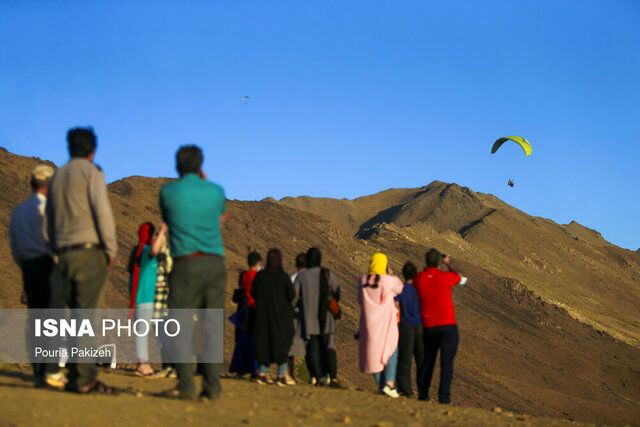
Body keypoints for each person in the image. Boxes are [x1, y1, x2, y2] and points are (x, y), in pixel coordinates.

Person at [46, 127, 118, 394]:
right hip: (88, 253)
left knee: (69, 317)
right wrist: (110, 249)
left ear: (69, 147)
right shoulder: (92, 172)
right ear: (92, 150)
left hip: (62, 253)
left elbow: (50, 221)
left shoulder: (57, 177)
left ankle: (70, 373)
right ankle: (84, 378)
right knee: (85, 317)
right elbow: (102, 212)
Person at [159, 144, 229, 401]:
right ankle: (212, 387)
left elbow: (169, 220)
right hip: (215, 263)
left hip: (185, 263)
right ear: (202, 166)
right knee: (212, 326)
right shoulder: (216, 191)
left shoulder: (168, 192)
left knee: (180, 326)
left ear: (177, 166)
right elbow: (219, 218)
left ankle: (186, 385)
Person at [9, 164, 66, 388]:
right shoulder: (49, 210)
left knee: (35, 319)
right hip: (49, 265)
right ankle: (52, 370)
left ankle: (39, 370)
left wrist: (24, 265)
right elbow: (54, 239)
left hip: (28, 266)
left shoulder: (19, 211)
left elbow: (15, 245)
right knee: (52, 318)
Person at [413, 249, 467, 404]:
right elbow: (462, 279)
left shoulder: (419, 278)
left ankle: (423, 396)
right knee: (447, 363)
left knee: (427, 362)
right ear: (439, 262)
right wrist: (448, 263)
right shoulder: (446, 277)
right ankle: (444, 398)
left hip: (428, 327)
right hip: (448, 326)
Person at [358, 252, 404, 398]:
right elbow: (400, 287)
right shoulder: (387, 281)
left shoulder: (363, 280)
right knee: (391, 350)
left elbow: (360, 300)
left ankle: (380, 385)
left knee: (372, 355)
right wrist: (390, 274)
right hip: (386, 324)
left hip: (369, 324)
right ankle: (389, 384)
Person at [294, 247, 342, 388]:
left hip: (309, 320)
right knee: (329, 348)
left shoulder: (302, 277)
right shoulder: (327, 273)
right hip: (326, 318)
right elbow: (336, 293)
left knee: (313, 349)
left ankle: (319, 377)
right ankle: (333, 378)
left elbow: (294, 297)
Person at [128, 222, 167, 377]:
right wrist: (163, 231)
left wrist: (161, 236)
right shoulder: (144, 251)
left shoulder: (144, 253)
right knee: (142, 332)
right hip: (144, 298)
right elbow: (155, 250)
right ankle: (143, 365)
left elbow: (159, 252)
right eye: (154, 234)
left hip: (145, 298)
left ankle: (142, 363)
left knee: (142, 331)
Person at [250, 249, 295, 386]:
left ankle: (262, 374)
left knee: (264, 345)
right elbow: (291, 295)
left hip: (262, 317)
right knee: (282, 347)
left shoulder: (261, 276)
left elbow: (253, 292)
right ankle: (280, 376)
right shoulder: (284, 277)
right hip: (281, 319)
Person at [229, 251, 262, 377]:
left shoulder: (243, 275)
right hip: (255, 310)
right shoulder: (260, 276)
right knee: (254, 341)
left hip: (243, 310)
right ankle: (254, 369)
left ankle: (241, 368)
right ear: (258, 263)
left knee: (242, 340)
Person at [395, 261, 424, 398]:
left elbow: (395, 304)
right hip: (421, 328)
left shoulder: (401, 289)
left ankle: (406, 391)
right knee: (422, 362)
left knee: (404, 361)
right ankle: (424, 393)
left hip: (406, 327)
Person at [151, 223, 175, 379]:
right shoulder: (155, 258)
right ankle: (167, 366)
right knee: (160, 336)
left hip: (164, 303)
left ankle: (172, 366)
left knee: (165, 336)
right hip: (156, 302)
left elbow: (171, 276)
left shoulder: (166, 257)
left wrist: (160, 283)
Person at [287, 252, 307, 384]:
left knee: (291, 348)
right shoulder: (312, 278)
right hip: (308, 316)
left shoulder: (292, 278)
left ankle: (291, 374)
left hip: (294, 314)